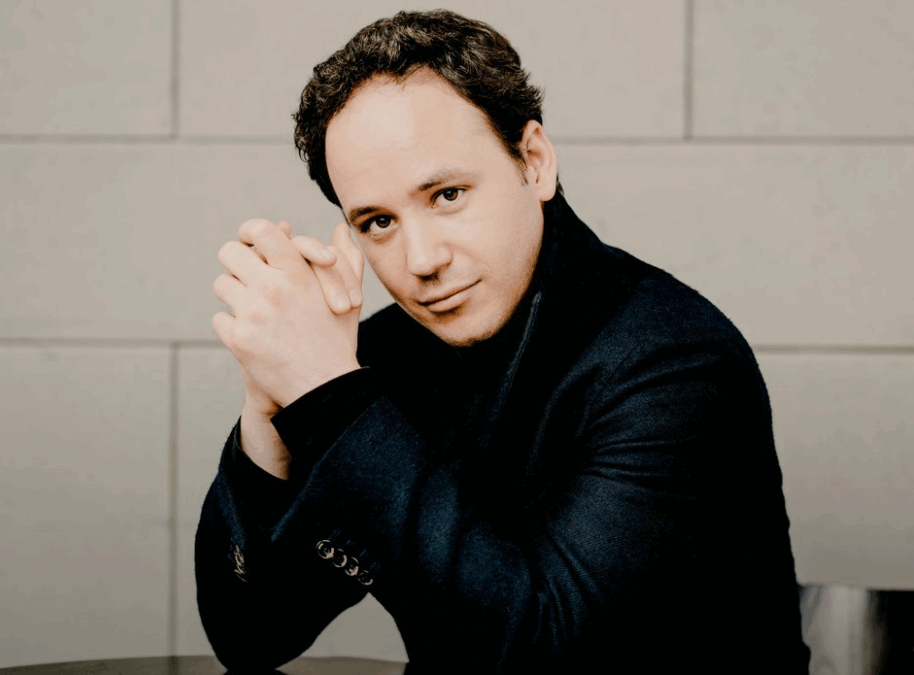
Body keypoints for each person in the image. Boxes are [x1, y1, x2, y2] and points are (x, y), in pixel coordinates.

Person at [196, 10, 811, 673]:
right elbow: (250, 637)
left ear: (534, 162)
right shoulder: (376, 364)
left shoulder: (675, 361)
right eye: (377, 222)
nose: (422, 259)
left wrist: (328, 395)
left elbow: (547, 655)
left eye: (447, 194)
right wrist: (271, 401)